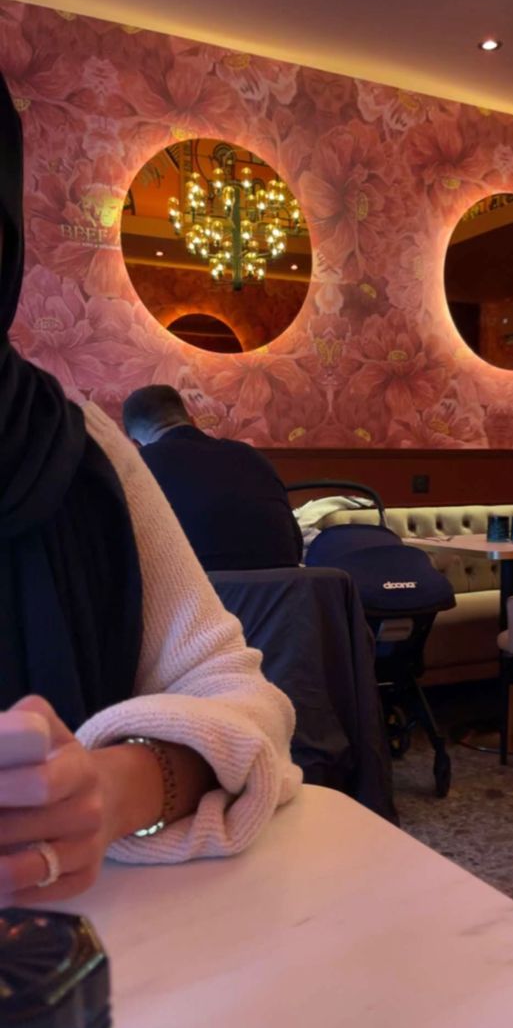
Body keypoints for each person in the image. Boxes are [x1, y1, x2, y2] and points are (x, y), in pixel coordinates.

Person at [0, 72, 301, 905]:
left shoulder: (82, 452)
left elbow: (235, 684)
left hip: (78, 959)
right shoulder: (246, 458)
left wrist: (110, 786)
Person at [122, 385, 303, 571]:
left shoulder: (139, 466)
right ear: (193, 422)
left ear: (136, 443)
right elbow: (296, 548)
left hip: (200, 595)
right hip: (284, 593)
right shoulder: (250, 456)